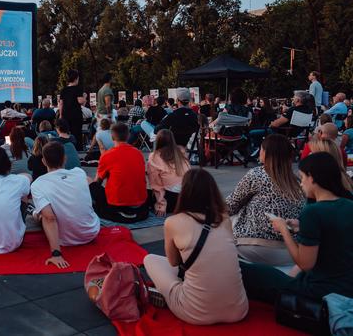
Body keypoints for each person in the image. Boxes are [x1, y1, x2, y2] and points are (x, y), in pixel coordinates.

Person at [240, 152, 353, 303]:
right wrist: (302, 228)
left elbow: (305, 264)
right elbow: (333, 236)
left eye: (303, 178)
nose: (301, 183)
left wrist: (284, 230)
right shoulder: (348, 204)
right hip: (346, 286)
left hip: (318, 290)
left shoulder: (313, 212)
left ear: (312, 178)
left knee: (247, 271)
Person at [144, 169, 249, 325]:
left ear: (185, 192)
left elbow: (173, 262)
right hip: (238, 310)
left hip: (195, 312)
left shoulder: (173, 222)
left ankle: (175, 292)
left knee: (150, 259)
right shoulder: (224, 219)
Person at [226, 135, 305, 266]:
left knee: (223, 222)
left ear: (267, 153)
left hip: (256, 246)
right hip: (289, 250)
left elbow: (230, 206)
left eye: (261, 149)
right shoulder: (296, 181)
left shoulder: (257, 175)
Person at [31, 142, 100, 268]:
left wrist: (56, 254)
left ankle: (35, 213)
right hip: (91, 232)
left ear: (44, 161)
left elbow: (50, 218)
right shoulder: (79, 173)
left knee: (41, 215)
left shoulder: (38, 184)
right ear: (65, 158)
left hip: (66, 240)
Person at [89, 123, 148, 223]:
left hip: (116, 204)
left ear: (112, 137)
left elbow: (98, 181)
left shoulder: (107, 155)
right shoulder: (138, 153)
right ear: (128, 135)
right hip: (139, 204)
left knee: (90, 183)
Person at [147, 129, 189, 216]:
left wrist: (161, 205)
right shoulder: (181, 151)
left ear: (157, 141)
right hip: (187, 197)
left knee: (145, 194)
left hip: (171, 200)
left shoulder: (154, 156)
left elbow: (156, 184)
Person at [59, 69, 85, 150]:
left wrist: (60, 115)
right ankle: (78, 150)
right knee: (77, 134)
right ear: (76, 78)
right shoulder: (78, 89)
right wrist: (85, 96)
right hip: (76, 115)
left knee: (66, 134)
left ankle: (67, 149)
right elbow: (80, 101)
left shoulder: (64, 90)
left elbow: (61, 103)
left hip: (66, 115)